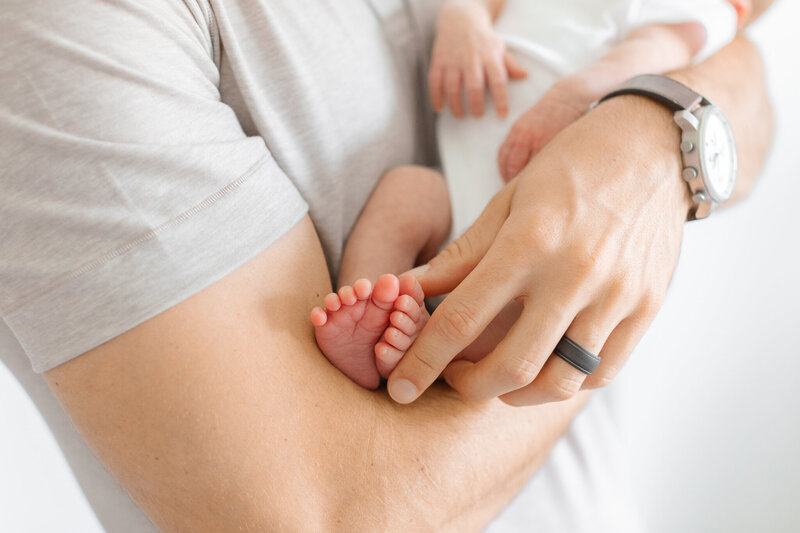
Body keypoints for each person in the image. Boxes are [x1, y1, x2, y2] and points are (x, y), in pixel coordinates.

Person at [0, 1, 774, 532]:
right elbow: (328, 512)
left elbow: (747, 81)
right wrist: (619, 230)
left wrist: (648, 153)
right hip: (479, 199)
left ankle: (424, 318)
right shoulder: (62, 31)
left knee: (476, 273)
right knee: (420, 214)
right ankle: (391, 307)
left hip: (595, 501)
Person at [309, 0, 748, 391]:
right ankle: (370, 314)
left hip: (552, 226)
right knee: (404, 195)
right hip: (457, 186)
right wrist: (464, 23)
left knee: (523, 315)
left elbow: (656, 54)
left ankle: (430, 344)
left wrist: (575, 96)